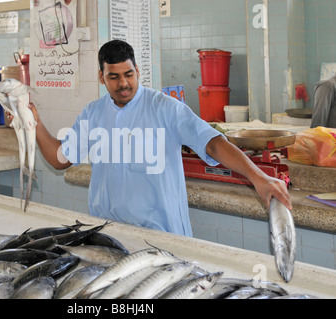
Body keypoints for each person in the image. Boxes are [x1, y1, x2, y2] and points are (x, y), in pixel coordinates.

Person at [23, 39, 292, 237]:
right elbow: (60, 159)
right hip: (108, 234)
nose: (123, 83)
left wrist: (258, 176)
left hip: (161, 237)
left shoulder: (165, 108)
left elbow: (212, 142)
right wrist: (33, 123)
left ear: (137, 71)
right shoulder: (93, 113)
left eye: (129, 74)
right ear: (101, 78)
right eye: (113, 77)